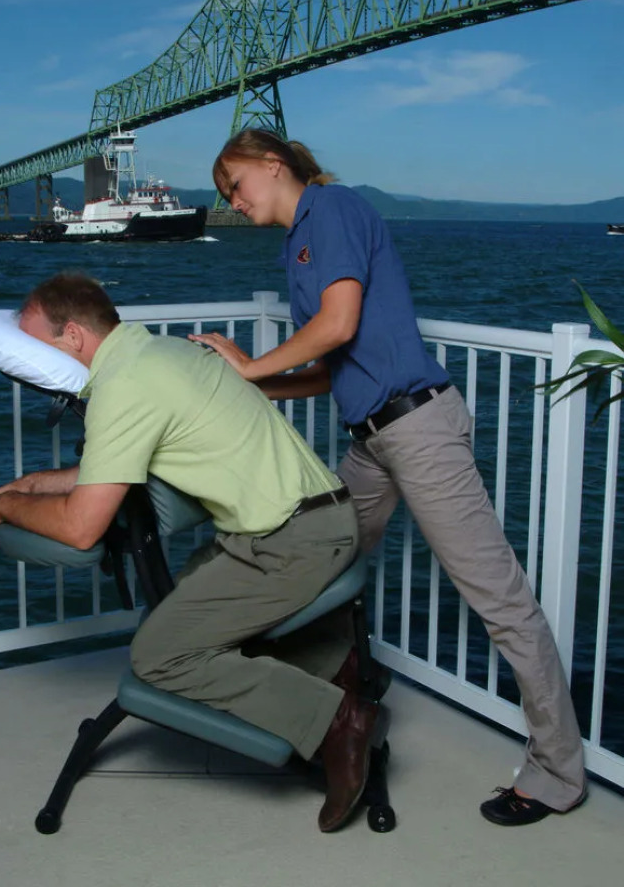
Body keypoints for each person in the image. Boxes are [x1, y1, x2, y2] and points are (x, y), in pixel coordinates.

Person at [189, 127, 587, 828]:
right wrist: (254, 388)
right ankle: (333, 706)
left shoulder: (333, 208)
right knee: (321, 558)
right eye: (224, 193)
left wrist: (252, 365)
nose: (231, 199)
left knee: (500, 601)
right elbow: (330, 365)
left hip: (418, 430)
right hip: (371, 440)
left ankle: (558, 773)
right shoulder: (299, 244)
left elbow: (337, 326)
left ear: (272, 166)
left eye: (235, 184)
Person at [0, 271, 378, 833]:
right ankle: (337, 667)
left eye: (32, 339)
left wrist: (5, 509)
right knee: (174, 620)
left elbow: (80, 529)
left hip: (293, 541)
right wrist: (32, 485)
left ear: (72, 337)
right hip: (300, 521)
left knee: (159, 656)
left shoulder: (124, 387)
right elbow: (108, 467)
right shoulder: (156, 353)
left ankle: (340, 723)